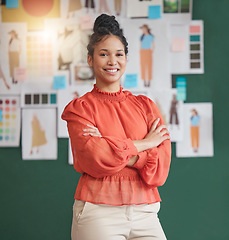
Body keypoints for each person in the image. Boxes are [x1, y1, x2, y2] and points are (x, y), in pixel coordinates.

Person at [62, 14, 171, 240]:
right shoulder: (80, 109)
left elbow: (160, 167)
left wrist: (115, 148)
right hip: (98, 212)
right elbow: (97, 159)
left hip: (146, 211)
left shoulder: (146, 106)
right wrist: (145, 144)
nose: (113, 61)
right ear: (90, 60)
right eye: (103, 54)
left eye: (119, 54)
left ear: (126, 59)